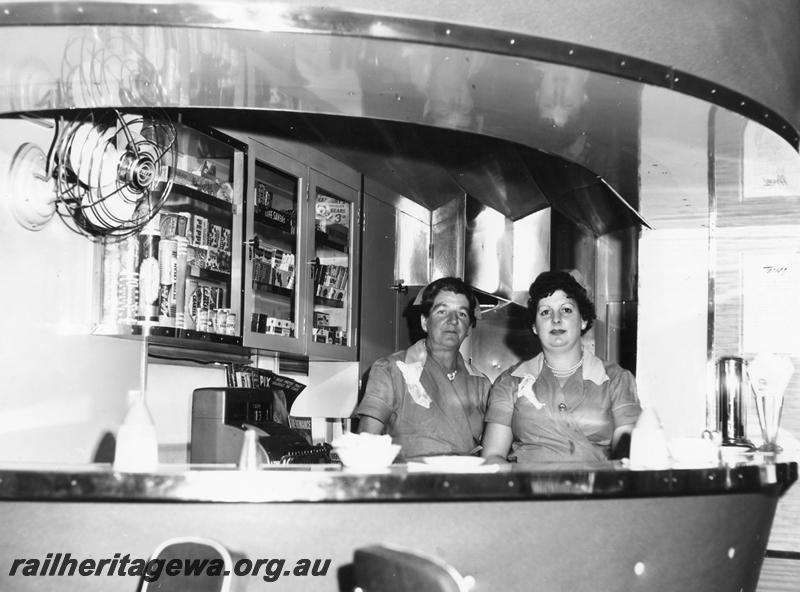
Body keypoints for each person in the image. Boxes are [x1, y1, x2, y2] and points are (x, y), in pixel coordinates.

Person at [481, 270, 641, 465]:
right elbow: (492, 457)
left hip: (596, 490)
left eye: (566, 310)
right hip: (529, 490)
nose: (555, 319)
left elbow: (629, 454)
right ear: (534, 326)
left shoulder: (616, 379)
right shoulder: (510, 382)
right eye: (545, 312)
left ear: (583, 320)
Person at [356, 277, 491, 461]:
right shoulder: (392, 370)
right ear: (424, 322)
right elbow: (366, 443)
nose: (453, 321)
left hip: (464, 485)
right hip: (408, 484)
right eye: (442, 311)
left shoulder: (481, 384)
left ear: (468, 329)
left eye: (462, 314)